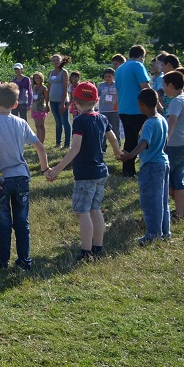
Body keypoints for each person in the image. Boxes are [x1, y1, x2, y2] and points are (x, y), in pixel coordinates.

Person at [44, 82, 123, 262]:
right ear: (96, 100)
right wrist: (118, 153)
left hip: (86, 174)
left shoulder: (79, 121)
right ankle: (98, 247)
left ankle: (86, 251)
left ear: (75, 101)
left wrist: (56, 169)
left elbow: (75, 148)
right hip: (101, 172)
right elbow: (113, 138)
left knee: (83, 212)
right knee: (96, 209)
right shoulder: (102, 118)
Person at [0, 83, 49, 271]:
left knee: (3, 223)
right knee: (22, 222)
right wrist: (45, 170)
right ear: (15, 105)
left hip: (2, 179)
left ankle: (2, 262)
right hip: (21, 178)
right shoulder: (21, 122)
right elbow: (40, 148)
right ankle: (24, 261)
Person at [117, 89, 170, 245]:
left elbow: (144, 142)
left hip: (151, 167)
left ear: (141, 104)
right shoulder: (162, 119)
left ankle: (153, 234)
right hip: (163, 163)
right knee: (162, 201)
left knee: (151, 201)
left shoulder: (149, 123)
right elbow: (165, 140)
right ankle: (165, 232)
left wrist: (130, 155)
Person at [115, 45, 153, 177]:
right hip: (138, 109)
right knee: (145, 139)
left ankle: (128, 170)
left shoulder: (119, 69)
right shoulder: (138, 65)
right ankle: (147, 168)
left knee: (130, 140)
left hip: (123, 109)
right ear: (142, 56)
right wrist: (156, 105)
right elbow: (145, 87)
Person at [161, 71, 184, 222]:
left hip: (174, 144)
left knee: (165, 178)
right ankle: (181, 213)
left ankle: (164, 213)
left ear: (171, 85)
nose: (163, 89)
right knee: (179, 179)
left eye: (164, 85)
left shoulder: (175, 102)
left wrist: (165, 140)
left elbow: (172, 121)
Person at [48, 54, 72, 149]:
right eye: (53, 60)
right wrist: (48, 100)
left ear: (61, 61)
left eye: (57, 60)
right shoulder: (51, 72)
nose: (55, 62)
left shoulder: (64, 72)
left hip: (62, 101)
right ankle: (58, 143)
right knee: (58, 122)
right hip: (53, 100)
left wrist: (63, 103)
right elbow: (49, 86)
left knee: (65, 122)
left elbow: (65, 88)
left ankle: (67, 144)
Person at [97, 68, 120, 137]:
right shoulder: (101, 85)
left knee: (115, 128)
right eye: (105, 76)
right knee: (102, 128)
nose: (107, 78)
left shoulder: (117, 85)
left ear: (113, 76)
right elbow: (97, 95)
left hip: (114, 110)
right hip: (103, 110)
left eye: (109, 76)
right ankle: (103, 146)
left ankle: (117, 145)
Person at [30, 71, 49, 146]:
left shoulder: (44, 88)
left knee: (41, 125)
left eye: (39, 78)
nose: (37, 79)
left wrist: (47, 106)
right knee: (37, 125)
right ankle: (38, 141)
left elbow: (47, 98)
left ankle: (42, 142)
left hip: (41, 108)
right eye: (36, 78)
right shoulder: (34, 87)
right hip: (34, 108)